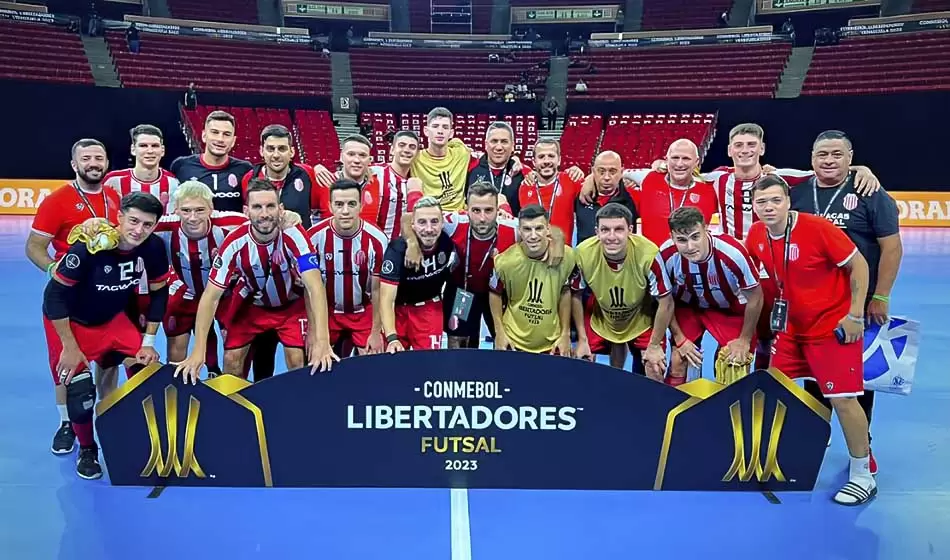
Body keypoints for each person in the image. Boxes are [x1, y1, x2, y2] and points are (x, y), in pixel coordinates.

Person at [745, 175, 875, 506]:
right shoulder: (757, 234)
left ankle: (862, 473)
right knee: (775, 393)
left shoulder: (817, 229)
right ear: (754, 206)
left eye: (775, 200)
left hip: (831, 328)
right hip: (789, 330)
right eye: (762, 202)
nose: (769, 207)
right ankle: (784, 456)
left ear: (788, 201)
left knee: (843, 399)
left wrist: (855, 315)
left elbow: (858, 265)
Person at [792, 129, 903, 476]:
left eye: (836, 154)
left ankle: (863, 447)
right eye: (822, 154)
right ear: (811, 158)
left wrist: (881, 295)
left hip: (856, 303)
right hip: (811, 305)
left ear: (850, 157)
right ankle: (814, 438)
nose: (829, 160)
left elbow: (891, 247)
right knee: (814, 374)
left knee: (857, 380)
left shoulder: (869, 191)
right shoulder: (796, 192)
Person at [42, 192, 172, 479]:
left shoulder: (152, 247)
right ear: (119, 218)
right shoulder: (88, 247)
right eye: (133, 221)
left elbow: (159, 292)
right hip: (68, 322)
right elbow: (53, 297)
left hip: (112, 319)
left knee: (147, 372)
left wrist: (149, 341)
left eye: (147, 224)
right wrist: (69, 346)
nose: (139, 230)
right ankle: (88, 449)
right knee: (79, 390)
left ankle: (139, 438)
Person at [174, 179, 338, 383]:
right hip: (251, 307)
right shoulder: (234, 242)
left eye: (270, 206)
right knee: (231, 360)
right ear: (246, 211)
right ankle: (235, 411)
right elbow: (210, 296)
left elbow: (315, 287)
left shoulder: (294, 235)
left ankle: (296, 410)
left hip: (291, 307)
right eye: (257, 207)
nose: (264, 214)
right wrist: (198, 351)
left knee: (297, 360)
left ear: (281, 209)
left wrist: (322, 340)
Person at [26, 138, 121, 456]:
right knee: (67, 365)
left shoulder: (113, 197)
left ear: (106, 162)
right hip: (67, 300)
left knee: (109, 363)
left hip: (106, 297)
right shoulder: (58, 200)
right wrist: (55, 270)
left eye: (99, 157)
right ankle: (67, 423)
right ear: (74, 164)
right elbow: (33, 247)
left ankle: (107, 420)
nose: (93, 163)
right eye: (86, 158)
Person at [657, 207, 763, 385]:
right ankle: (678, 408)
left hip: (729, 308)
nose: (690, 247)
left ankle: (724, 408)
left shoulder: (732, 253)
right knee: (679, 359)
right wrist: (680, 339)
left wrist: (744, 339)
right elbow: (665, 302)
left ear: (706, 229)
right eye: (681, 240)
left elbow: (756, 297)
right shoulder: (666, 254)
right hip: (688, 307)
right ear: (672, 236)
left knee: (733, 363)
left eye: (695, 237)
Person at [571, 203, 672, 376]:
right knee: (583, 360)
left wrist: (654, 346)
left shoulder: (648, 254)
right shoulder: (582, 253)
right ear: (597, 231)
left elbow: (666, 301)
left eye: (618, 229)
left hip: (642, 316)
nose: (612, 237)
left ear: (630, 230)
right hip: (603, 314)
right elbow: (575, 294)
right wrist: (581, 339)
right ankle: (611, 391)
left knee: (655, 366)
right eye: (605, 230)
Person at [308, 179, 389, 355]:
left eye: (351, 204)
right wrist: (313, 331)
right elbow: (308, 288)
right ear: (330, 206)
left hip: (363, 312)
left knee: (372, 363)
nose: (345, 211)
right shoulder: (311, 238)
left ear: (361, 206)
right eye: (339, 204)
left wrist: (376, 332)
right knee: (316, 361)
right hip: (326, 312)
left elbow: (377, 291)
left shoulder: (378, 240)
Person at [489, 204, 577, 355]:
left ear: (548, 229)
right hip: (514, 342)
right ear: (519, 231)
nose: (533, 235)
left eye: (539, 228)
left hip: (552, 344)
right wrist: (500, 333)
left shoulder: (567, 256)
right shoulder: (505, 262)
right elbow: (494, 293)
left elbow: (565, 291)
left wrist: (565, 334)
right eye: (527, 229)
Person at [379, 196, 458, 352]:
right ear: (413, 225)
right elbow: (386, 299)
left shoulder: (449, 238)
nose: (429, 229)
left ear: (443, 223)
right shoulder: (397, 250)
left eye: (434, 222)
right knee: (392, 364)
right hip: (398, 311)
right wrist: (392, 337)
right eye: (422, 222)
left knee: (429, 365)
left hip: (430, 308)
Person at [241, 124, 325, 229]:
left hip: (299, 243)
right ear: (262, 151)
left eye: (282, 149)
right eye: (271, 149)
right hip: (264, 242)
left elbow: (326, 214)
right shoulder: (249, 179)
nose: (276, 155)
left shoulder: (308, 174)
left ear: (292, 152)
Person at [170, 110, 253, 213]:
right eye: (215, 132)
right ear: (204, 136)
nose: (220, 139)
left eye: (226, 134)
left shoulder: (245, 169)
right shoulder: (181, 166)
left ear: (233, 141)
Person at [103, 124, 180, 213]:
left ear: (162, 150)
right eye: (143, 146)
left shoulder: (173, 183)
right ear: (133, 149)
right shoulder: (112, 181)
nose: (150, 151)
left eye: (155, 146)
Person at [574, 150, 639, 243]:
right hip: (586, 256)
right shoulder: (578, 192)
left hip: (622, 256)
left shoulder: (633, 195)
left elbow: (653, 176)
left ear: (621, 172)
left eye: (613, 172)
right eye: (601, 172)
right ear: (593, 171)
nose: (606, 177)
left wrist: (659, 164)